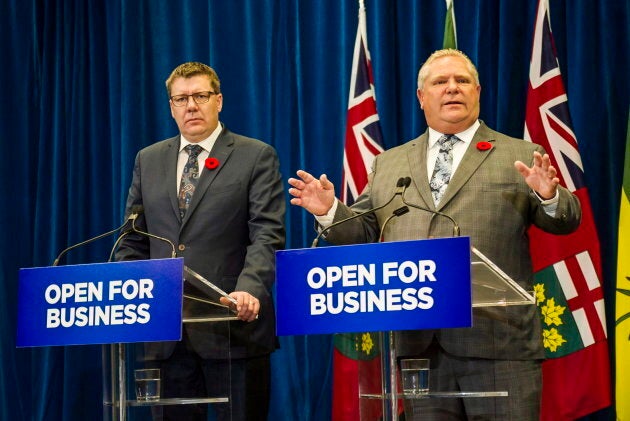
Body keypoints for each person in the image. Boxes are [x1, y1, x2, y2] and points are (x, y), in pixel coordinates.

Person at [288, 49, 581, 420]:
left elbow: (565, 221)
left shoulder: (519, 153)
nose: (452, 89)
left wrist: (548, 195)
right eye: (440, 82)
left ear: (478, 91)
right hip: (418, 344)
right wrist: (328, 210)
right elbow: (363, 230)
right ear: (421, 97)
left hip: (498, 341)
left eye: (461, 81)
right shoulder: (389, 162)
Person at [116, 62, 285, 421]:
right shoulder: (148, 159)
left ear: (218, 100)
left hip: (233, 328)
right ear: (171, 107)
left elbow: (267, 233)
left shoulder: (255, 155)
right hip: (166, 333)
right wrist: (124, 288)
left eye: (200, 96)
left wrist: (250, 289)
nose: (191, 105)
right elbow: (133, 239)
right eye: (181, 98)